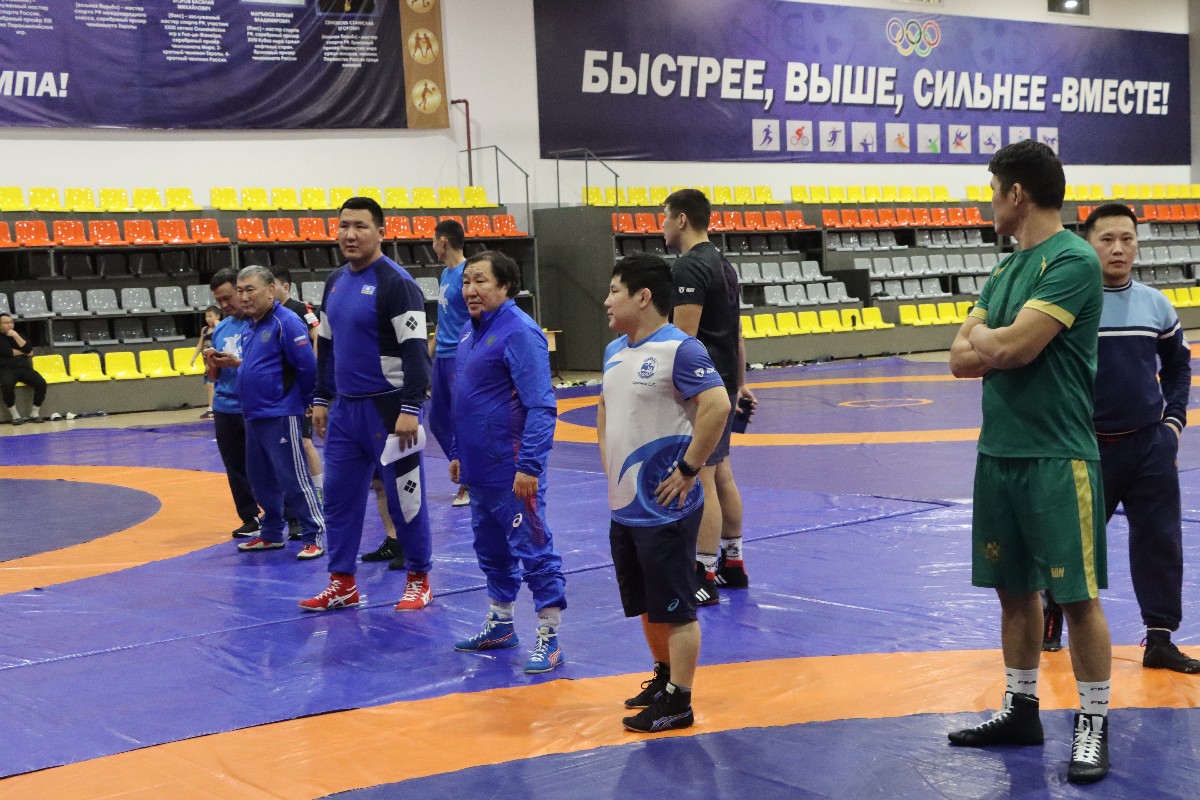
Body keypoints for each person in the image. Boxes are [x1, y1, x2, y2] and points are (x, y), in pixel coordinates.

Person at [947, 140, 1112, 784]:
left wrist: (987, 338)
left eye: (993, 192)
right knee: (1013, 591)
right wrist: (993, 343)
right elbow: (959, 360)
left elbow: (1010, 349)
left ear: (1017, 194)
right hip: (999, 454)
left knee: (1076, 597)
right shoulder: (1006, 269)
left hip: (1057, 456)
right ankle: (1021, 708)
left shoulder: (1072, 259)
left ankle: (1093, 723)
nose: (990, 204)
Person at [598, 253, 731, 733]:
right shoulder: (614, 351)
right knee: (647, 601)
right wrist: (609, 466)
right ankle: (663, 677)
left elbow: (717, 405)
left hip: (665, 506)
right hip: (625, 503)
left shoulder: (681, 350)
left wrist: (689, 469)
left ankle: (680, 699)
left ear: (643, 297)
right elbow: (605, 409)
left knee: (675, 606)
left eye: (614, 291)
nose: (606, 301)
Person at [1072, 203, 1197, 673]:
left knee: (1160, 540)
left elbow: (1179, 366)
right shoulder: (1071, 305)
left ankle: (1160, 639)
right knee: (1073, 540)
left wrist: (1173, 423)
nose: (1118, 248)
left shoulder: (1155, 304)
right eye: (1107, 239)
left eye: (1127, 238)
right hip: (1086, 446)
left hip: (1149, 445)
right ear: (1087, 245)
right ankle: (1050, 616)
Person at [300, 196, 434, 612]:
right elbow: (327, 346)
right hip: (345, 411)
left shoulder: (398, 284)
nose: (350, 234)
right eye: (344, 226)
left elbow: (416, 351)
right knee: (339, 498)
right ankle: (342, 583)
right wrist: (321, 398)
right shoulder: (334, 282)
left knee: (404, 498)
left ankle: (418, 578)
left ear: (381, 232)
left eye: (360, 226)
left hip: (389, 411)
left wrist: (410, 408)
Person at [447, 251, 566, 674]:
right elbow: (466, 398)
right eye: (466, 281)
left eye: (480, 281)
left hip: (513, 468)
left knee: (533, 548)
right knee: (491, 549)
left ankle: (549, 635)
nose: (470, 290)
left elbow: (541, 406)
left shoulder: (520, 332)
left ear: (506, 286)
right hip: (480, 469)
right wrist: (458, 452)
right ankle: (500, 624)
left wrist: (530, 465)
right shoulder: (469, 330)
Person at [662, 188, 757, 604]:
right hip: (724, 382)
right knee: (722, 474)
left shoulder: (689, 266)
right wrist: (740, 382)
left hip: (703, 388)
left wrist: (669, 388)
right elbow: (736, 332)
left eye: (665, 217)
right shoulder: (723, 263)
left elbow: (683, 339)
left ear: (681, 220)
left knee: (701, 475)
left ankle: (703, 572)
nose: (662, 226)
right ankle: (733, 563)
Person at [223, 266, 325, 560]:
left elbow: (307, 366)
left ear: (270, 290)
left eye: (250, 290)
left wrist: (308, 400)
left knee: (293, 478)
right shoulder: (250, 326)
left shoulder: (287, 322)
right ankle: (270, 534)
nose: (244, 297)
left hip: (281, 413)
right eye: (240, 291)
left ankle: (313, 534)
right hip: (254, 414)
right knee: (260, 480)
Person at [203, 269, 262, 538]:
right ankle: (249, 516)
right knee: (235, 467)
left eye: (228, 298)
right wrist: (212, 364)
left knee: (268, 463)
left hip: (254, 404)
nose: (224, 305)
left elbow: (268, 365)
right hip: (225, 406)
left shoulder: (259, 324)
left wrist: (238, 364)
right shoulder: (222, 328)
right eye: (219, 301)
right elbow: (213, 377)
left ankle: (290, 514)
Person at [272, 266, 326, 538]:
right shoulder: (267, 316)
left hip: (300, 386)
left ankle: (319, 492)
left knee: (305, 442)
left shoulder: (299, 309)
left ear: (285, 287)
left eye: (274, 285)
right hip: (280, 393)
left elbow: (317, 336)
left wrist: (313, 371)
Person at [427, 218, 473, 509]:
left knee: (462, 418)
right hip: (442, 356)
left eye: (433, 241)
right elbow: (443, 320)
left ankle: (470, 480)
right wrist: (428, 353)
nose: (432, 246)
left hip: (460, 356)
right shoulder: (445, 274)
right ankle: (463, 467)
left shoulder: (468, 274)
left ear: (443, 241)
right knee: (436, 419)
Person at [0, 313, 48, 425]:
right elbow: (6, 352)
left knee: (41, 382)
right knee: (7, 384)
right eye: (6, 323)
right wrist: (23, 352)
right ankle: (15, 416)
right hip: (6, 368)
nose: (9, 325)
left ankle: (34, 413)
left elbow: (29, 350)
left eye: (11, 322)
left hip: (24, 367)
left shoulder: (19, 335)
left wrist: (16, 336)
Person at [190, 305, 221, 419]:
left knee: (211, 385)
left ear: (217, 316)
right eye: (206, 316)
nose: (208, 319)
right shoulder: (205, 330)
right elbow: (200, 344)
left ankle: (211, 409)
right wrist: (194, 357)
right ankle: (213, 408)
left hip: (216, 361)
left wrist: (218, 323)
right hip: (207, 362)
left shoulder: (220, 327)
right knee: (208, 385)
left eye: (210, 316)